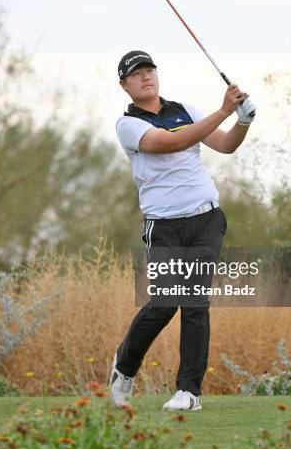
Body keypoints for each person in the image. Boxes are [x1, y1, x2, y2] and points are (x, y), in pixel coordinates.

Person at [109, 50, 256, 411]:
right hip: (164, 226)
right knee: (162, 304)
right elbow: (171, 143)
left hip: (206, 218)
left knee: (194, 303)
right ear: (124, 85)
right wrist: (223, 111)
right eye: (137, 73)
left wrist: (243, 122)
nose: (146, 77)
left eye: (150, 70)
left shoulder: (185, 108)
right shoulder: (128, 124)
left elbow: (224, 145)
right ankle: (125, 366)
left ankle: (189, 392)